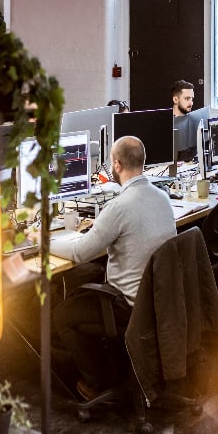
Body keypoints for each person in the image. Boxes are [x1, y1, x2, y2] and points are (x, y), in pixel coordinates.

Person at [50, 135, 177, 399]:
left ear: (116, 165)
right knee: (92, 275)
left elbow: (79, 252)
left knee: (62, 313)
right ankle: (113, 366)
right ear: (143, 161)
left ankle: (96, 382)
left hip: (127, 307)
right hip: (159, 302)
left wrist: (42, 242)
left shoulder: (119, 206)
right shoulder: (163, 197)